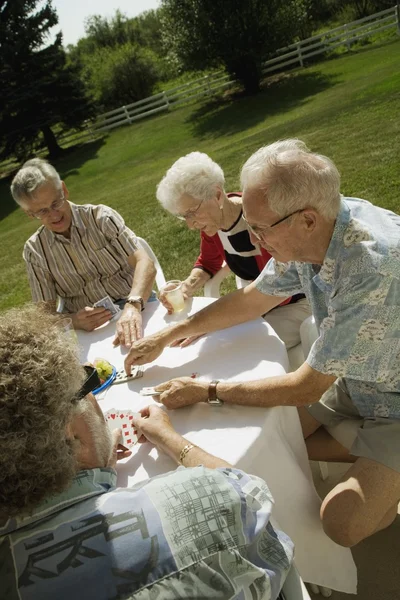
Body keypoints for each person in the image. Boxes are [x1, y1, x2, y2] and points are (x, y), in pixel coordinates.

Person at [124, 139, 400, 548]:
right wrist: (168, 334)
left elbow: (306, 386)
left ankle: (382, 465)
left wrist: (208, 390)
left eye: (259, 228)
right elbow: (255, 297)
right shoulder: (315, 225)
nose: (253, 237)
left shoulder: (372, 266)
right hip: (356, 380)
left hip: (393, 399)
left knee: (341, 523)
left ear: (306, 219)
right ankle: (370, 454)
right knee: (279, 440)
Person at [0, 304, 293, 600]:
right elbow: (254, 502)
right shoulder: (207, 501)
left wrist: (93, 470)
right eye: (84, 383)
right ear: (69, 433)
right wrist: (170, 439)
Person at [156, 151, 311, 349]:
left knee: (238, 346)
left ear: (217, 195)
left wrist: (221, 319)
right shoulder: (213, 227)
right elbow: (208, 263)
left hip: (297, 301)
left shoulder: (259, 221)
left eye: (192, 213)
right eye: (183, 216)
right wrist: (186, 287)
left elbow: (279, 288)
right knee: (210, 342)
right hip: (258, 304)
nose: (190, 225)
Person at [11, 158, 157, 347]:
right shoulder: (35, 251)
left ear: (63, 190)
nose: (54, 215)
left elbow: (144, 263)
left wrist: (133, 306)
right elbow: (43, 316)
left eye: (56, 203)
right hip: (89, 330)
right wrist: (74, 321)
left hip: (138, 304)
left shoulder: (101, 218)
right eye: (42, 212)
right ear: (29, 213)